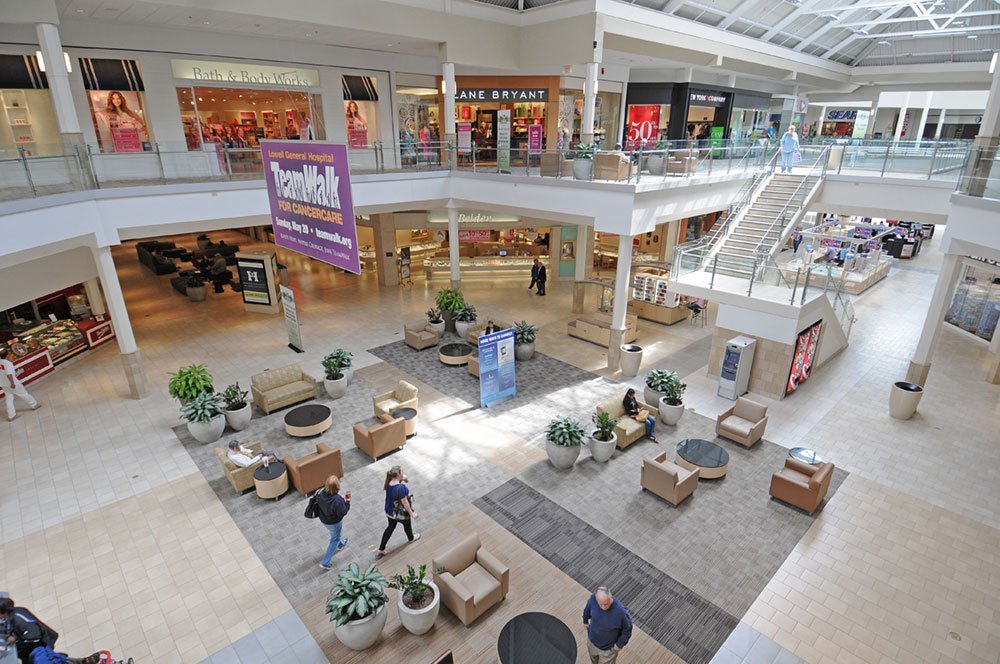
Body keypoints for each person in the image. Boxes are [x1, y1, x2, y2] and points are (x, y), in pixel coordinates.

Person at [376, 465, 419, 558]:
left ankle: (381, 548)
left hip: (389, 512)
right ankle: (411, 538)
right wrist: (412, 514)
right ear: (398, 474)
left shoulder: (389, 483)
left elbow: (395, 491)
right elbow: (405, 503)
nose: (403, 473)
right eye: (402, 471)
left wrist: (402, 480)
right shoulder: (401, 488)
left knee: (390, 527)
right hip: (400, 513)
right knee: (407, 526)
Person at [583, 587, 632, 664]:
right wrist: (585, 621)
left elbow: (627, 629)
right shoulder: (593, 599)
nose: (603, 607)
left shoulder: (621, 612)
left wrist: (619, 645)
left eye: (606, 604)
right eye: (600, 604)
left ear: (610, 597)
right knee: (594, 661)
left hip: (608, 650)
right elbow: (587, 609)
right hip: (592, 642)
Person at [0, 598, 57, 663]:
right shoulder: (9, 617)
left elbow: (34, 634)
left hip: (40, 646)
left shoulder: (18, 616)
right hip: (29, 648)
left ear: (3, 611)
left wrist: (15, 639)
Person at [317, 475, 351, 570]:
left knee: (335, 535)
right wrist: (347, 502)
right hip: (334, 522)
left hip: (324, 520)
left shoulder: (321, 494)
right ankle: (325, 562)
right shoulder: (338, 500)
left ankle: (341, 543)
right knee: (334, 539)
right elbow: (342, 513)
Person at [0, 349, 38, 422]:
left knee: (9, 398)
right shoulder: (8, 363)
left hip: (4, 385)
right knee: (23, 394)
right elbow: (9, 374)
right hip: (12, 383)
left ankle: (11, 415)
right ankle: (34, 405)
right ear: (7, 355)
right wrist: (12, 383)